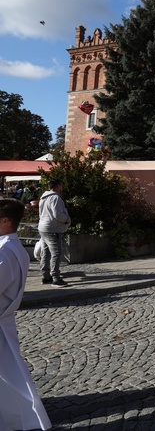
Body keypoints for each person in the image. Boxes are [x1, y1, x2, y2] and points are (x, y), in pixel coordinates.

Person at [0, 199, 52, 430]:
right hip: (4, 319)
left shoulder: (5, 252)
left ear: (5, 220)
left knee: (11, 378)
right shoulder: (11, 248)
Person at [38, 179, 71, 287]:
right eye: (61, 185)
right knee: (56, 253)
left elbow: (41, 213)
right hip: (52, 229)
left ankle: (46, 276)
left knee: (46, 253)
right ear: (58, 186)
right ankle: (56, 278)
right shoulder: (56, 198)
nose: (62, 188)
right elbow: (58, 214)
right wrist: (67, 219)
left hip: (43, 227)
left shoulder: (43, 197)